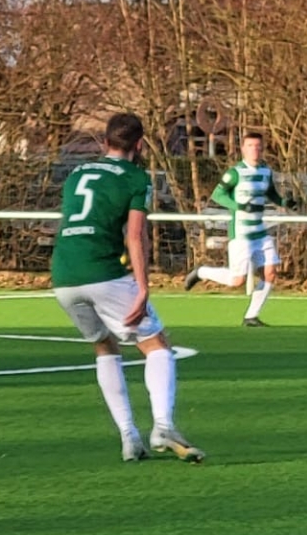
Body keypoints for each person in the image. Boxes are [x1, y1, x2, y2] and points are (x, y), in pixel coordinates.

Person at [51, 113, 203, 463]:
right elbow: (135, 236)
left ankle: (129, 438)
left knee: (105, 347)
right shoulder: (135, 177)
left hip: (63, 276)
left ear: (105, 142)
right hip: (102, 271)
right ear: (140, 145)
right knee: (156, 344)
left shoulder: (77, 174)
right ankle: (163, 426)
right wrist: (143, 288)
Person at [184, 132, 292, 325]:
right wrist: (240, 206)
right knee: (237, 280)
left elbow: (271, 194)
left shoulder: (266, 171)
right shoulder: (235, 173)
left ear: (262, 148)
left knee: (270, 272)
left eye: (258, 146)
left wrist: (285, 202)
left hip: (260, 232)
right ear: (243, 149)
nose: (255, 150)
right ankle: (201, 272)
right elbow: (218, 195)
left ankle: (251, 316)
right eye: (250, 146)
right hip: (242, 233)